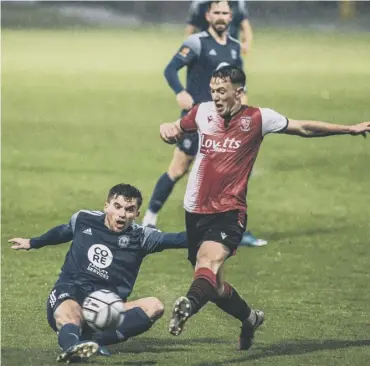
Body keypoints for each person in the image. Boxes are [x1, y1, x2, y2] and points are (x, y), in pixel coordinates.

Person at [159, 65, 370, 350]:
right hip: (195, 210)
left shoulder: (258, 118)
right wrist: (167, 130)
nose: (216, 97)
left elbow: (304, 127)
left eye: (222, 91)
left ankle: (187, 306)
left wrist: (349, 129)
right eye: (213, 91)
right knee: (215, 287)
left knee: (206, 264)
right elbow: (177, 129)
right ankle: (250, 319)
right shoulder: (202, 112)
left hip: (229, 211)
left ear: (239, 91)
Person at [9, 183, 187, 363]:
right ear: (106, 206)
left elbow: (178, 239)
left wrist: (210, 235)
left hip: (106, 309)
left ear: (137, 214)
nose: (122, 214)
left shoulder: (142, 237)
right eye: (117, 207)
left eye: (129, 209)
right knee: (71, 313)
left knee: (154, 306)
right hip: (70, 293)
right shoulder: (83, 219)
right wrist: (33, 242)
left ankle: (93, 341)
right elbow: (63, 231)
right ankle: (73, 348)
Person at [142, 0, 266, 247]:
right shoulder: (196, 42)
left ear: (231, 17)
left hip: (224, 122)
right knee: (178, 169)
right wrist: (180, 92)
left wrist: (242, 105)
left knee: (231, 175)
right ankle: (148, 220)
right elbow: (170, 69)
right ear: (208, 16)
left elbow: (240, 82)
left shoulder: (234, 46)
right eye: (216, 12)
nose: (221, 17)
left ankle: (235, 231)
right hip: (197, 119)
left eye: (225, 13)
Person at [186, 0, 253, 55]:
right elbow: (191, 28)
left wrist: (246, 43)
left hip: (230, 48)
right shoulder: (200, 4)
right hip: (206, 49)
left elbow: (245, 26)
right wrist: (191, 47)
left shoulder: (236, 3)